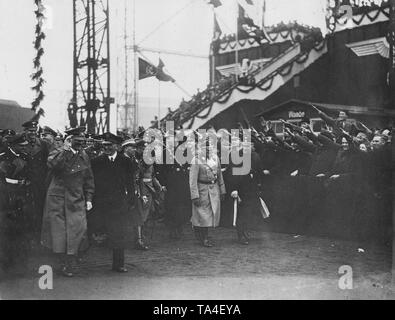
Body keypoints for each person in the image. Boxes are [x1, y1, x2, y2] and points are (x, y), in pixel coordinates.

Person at [41, 127, 94, 277]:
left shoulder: (84, 155)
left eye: (82, 142)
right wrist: (65, 149)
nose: (81, 145)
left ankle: (71, 259)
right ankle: (65, 262)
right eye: (77, 141)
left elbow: (89, 178)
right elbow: (54, 166)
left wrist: (89, 197)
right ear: (69, 140)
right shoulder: (57, 151)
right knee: (60, 233)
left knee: (78, 229)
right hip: (59, 198)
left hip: (77, 197)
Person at [91, 133, 137, 272]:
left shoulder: (125, 162)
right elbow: (93, 182)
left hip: (119, 203)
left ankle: (118, 264)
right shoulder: (97, 161)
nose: (107, 148)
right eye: (105, 145)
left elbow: (130, 182)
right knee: (101, 232)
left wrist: (130, 200)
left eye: (110, 145)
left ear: (117, 146)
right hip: (102, 203)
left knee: (119, 232)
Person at [189, 139, 226, 247]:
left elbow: (220, 176)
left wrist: (222, 190)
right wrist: (194, 196)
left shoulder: (215, 159)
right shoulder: (196, 160)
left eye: (209, 146)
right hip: (202, 190)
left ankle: (203, 235)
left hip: (214, 189)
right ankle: (203, 237)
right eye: (205, 147)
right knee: (203, 215)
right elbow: (192, 180)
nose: (208, 149)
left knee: (210, 215)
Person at [21, 120, 50, 244]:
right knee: (25, 209)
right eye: (30, 131)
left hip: (40, 182)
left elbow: (48, 163)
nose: (33, 133)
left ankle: (38, 237)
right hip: (25, 182)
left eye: (34, 130)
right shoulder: (21, 143)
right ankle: (26, 237)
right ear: (25, 131)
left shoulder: (43, 144)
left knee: (39, 208)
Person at [134, 139, 164, 250]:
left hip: (151, 190)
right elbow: (139, 179)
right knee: (141, 215)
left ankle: (143, 237)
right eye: (142, 148)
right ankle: (139, 239)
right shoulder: (138, 162)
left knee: (150, 214)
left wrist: (160, 186)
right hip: (143, 191)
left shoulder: (149, 160)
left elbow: (153, 176)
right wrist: (142, 194)